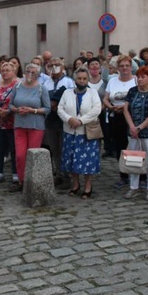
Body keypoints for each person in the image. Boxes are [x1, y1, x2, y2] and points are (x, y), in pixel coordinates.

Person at [57, 67, 102, 199]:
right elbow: (60, 109)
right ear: (74, 79)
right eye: (79, 78)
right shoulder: (67, 93)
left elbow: (96, 110)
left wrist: (81, 121)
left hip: (86, 132)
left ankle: (88, 185)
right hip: (70, 131)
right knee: (71, 159)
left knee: (88, 160)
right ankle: (75, 184)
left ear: (87, 80)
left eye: (84, 79)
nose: (81, 81)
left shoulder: (93, 93)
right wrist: (69, 119)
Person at [122, 65, 148, 201]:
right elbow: (126, 110)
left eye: (143, 77)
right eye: (138, 77)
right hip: (133, 132)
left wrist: (140, 127)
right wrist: (132, 127)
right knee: (133, 160)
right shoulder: (132, 91)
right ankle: (133, 187)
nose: (139, 79)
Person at [9, 63, 50, 192]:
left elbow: (47, 108)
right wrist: (16, 109)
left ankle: (33, 182)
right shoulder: (18, 86)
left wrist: (33, 110)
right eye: (28, 72)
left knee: (32, 154)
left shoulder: (42, 89)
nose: (30, 75)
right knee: (20, 155)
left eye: (33, 72)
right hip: (20, 124)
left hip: (35, 125)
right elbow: (10, 104)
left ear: (38, 74)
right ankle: (22, 181)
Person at [103, 55, 137, 189]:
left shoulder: (135, 80)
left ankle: (139, 175)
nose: (124, 68)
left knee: (134, 145)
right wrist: (110, 106)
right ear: (118, 68)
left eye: (127, 66)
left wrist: (124, 107)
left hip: (131, 116)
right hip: (115, 116)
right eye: (121, 66)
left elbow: (137, 98)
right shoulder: (112, 81)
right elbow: (106, 98)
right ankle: (123, 175)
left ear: (131, 67)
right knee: (119, 147)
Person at [42, 57, 75, 186]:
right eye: (51, 65)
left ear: (62, 67)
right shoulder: (46, 83)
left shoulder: (68, 82)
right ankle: (58, 173)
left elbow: (72, 99)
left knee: (64, 148)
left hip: (64, 120)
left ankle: (67, 175)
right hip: (50, 120)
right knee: (54, 148)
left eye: (57, 65)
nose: (54, 67)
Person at [0, 62, 18, 185]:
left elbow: (20, 100)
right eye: (3, 70)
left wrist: (8, 111)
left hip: (13, 122)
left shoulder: (18, 85)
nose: (5, 72)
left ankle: (15, 173)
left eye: (8, 70)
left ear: (13, 71)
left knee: (14, 149)